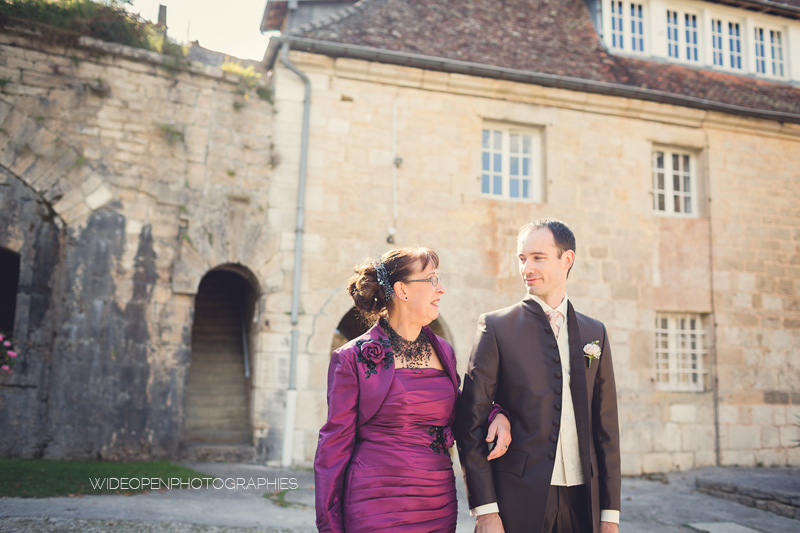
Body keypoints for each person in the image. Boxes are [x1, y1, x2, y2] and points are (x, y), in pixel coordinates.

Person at [315, 247, 511, 533]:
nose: (441, 288)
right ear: (402, 291)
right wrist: (329, 525)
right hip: (375, 501)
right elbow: (333, 447)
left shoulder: (443, 349)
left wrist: (496, 414)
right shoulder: (351, 357)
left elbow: (459, 408)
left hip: (437, 501)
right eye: (431, 279)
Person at [456, 219, 621, 533]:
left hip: (584, 500)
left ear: (566, 259)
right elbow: (470, 420)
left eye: (538, 257)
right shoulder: (496, 326)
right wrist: (486, 511)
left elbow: (607, 430)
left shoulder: (593, 331)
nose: (526, 267)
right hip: (517, 498)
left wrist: (610, 515)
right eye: (522, 258)